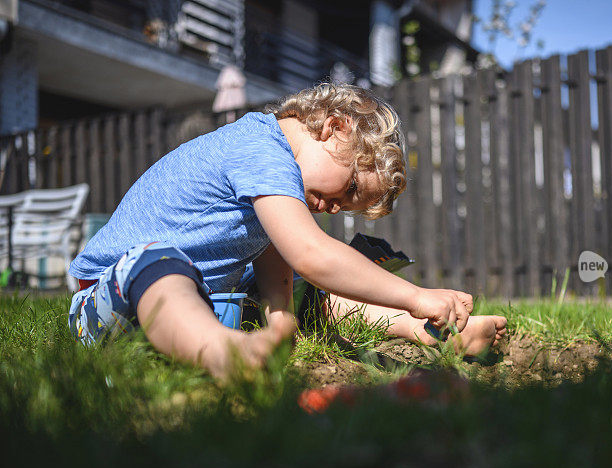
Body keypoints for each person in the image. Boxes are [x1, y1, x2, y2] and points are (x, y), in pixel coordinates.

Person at [68, 83, 505, 377]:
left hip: (201, 301)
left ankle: (434, 333)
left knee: (317, 294)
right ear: (335, 127)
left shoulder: (277, 174)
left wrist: (282, 316)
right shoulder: (260, 148)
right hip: (113, 297)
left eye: (346, 205)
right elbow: (310, 255)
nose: (333, 207)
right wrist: (416, 295)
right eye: (349, 186)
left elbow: (271, 248)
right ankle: (222, 353)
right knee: (159, 263)